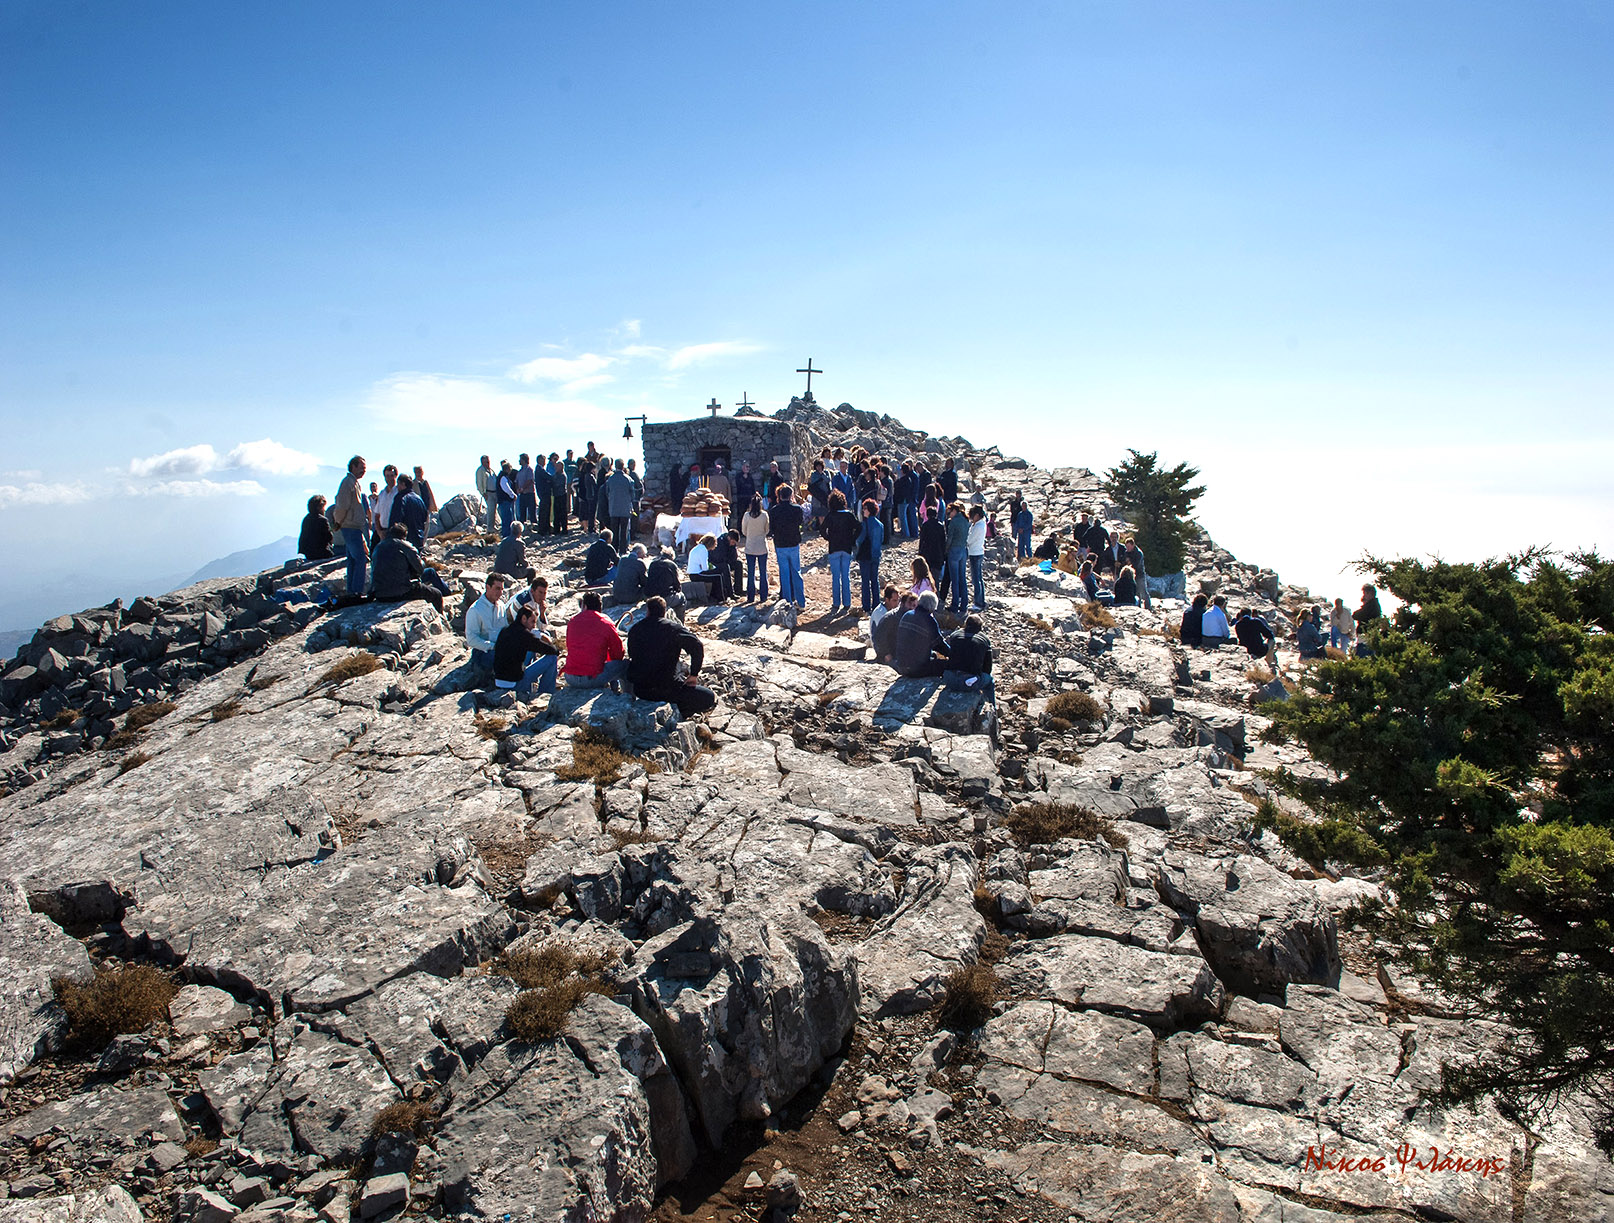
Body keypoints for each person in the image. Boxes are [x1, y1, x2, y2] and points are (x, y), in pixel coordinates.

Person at [627, 596, 717, 717]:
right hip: (667, 689)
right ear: (664, 612)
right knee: (708, 698)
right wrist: (694, 674)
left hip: (641, 690)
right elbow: (697, 646)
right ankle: (681, 710)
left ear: (647, 611)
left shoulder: (635, 629)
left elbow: (632, 654)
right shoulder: (673, 629)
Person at [370, 524, 446, 611]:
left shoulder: (378, 547)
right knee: (436, 594)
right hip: (401, 592)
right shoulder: (405, 546)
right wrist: (423, 562)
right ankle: (441, 618)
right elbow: (420, 569)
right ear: (404, 535)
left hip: (380, 594)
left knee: (429, 574)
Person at [494, 601, 559, 697]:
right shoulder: (524, 635)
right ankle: (545, 693)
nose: (534, 626)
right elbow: (550, 650)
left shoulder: (505, 630)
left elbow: (534, 641)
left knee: (529, 650)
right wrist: (555, 649)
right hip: (515, 684)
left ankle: (533, 686)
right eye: (532, 622)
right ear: (524, 619)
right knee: (552, 658)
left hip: (499, 682)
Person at [564, 590, 627, 689]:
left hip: (570, 677)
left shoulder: (572, 621)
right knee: (625, 665)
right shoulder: (605, 622)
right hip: (592, 678)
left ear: (584, 606)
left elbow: (570, 647)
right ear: (600, 607)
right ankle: (624, 696)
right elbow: (618, 652)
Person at [333, 455, 370, 596]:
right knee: (360, 558)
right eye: (361, 468)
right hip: (350, 526)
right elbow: (342, 505)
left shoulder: (353, 482)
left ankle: (351, 590)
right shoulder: (348, 483)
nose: (363, 471)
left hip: (353, 526)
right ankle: (356, 591)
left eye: (364, 469)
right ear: (353, 467)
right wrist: (338, 522)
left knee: (352, 559)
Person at [893, 591, 951, 678]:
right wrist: (953, 654)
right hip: (916, 669)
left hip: (901, 666)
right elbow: (939, 645)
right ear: (931, 607)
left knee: (933, 655)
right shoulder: (929, 621)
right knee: (947, 665)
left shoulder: (907, 615)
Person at [943, 615, 996, 702]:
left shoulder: (954, 635)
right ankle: (992, 708)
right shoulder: (984, 640)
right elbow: (987, 668)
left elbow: (948, 652)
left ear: (966, 624)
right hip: (969, 681)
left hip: (950, 679)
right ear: (980, 628)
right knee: (990, 682)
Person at [823, 491, 859, 615]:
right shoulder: (849, 515)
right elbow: (859, 527)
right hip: (846, 548)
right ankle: (847, 603)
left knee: (835, 577)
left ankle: (836, 603)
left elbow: (822, 530)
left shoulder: (830, 515)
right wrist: (852, 539)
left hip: (834, 548)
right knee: (845, 576)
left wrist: (829, 538)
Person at [771, 484, 806, 607]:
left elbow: (771, 529)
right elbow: (800, 522)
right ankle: (801, 602)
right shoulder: (797, 509)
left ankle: (787, 602)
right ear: (791, 495)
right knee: (796, 572)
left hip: (780, 544)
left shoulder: (774, 510)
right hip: (793, 543)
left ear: (780, 496)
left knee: (784, 574)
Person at [465, 573, 508, 670]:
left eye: (502, 589)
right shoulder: (475, 610)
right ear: (488, 587)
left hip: (500, 647)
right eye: (497, 588)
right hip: (483, 651)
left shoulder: (501, 605)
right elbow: (471, 639)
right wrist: (493, 646)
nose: (500, 593)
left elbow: (505, 628)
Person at [854, 496, 885, 615]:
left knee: (865, 582)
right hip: (876, 555)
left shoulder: (864, 524)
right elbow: (881, 540)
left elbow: (860, 540)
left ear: (869, 510)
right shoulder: (880, 525)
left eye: (865, 508)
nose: (863, 510)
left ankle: (866, 607)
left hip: (865, 556)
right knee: (875, 581)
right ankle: (876, 605)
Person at [741, 493, 770, 601]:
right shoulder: (764, 515)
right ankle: (763, 596)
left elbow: (744, 531)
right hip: (762, 547)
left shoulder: (746, 516)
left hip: (750, 547)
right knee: (763, 572)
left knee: (751, 573)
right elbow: (767, 530)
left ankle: (751, 596)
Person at [874, 590, 916, 665]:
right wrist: (886, 654)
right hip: (890, 657)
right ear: (902, 603)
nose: (911, 608)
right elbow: (878, 637)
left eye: (914, 605)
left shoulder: (912, 618)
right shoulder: (891, 618)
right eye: (909, 604)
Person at [645, 546, 687, 616]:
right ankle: (679, 622)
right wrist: (678, 591)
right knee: (682, 598)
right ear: (672, 557)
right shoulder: (671, 565)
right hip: (664, 597)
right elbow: (677, 585)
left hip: (650, 596)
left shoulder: (653, 564)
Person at [945, 501, 970, 616]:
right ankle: (964, 604)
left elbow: (949, 539)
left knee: (954, 579)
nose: (949, 515)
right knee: (962, 578)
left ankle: (955, 604)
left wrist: (946, 550)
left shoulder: (953, 522)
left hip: (954, 551)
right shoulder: (965, 520)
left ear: (954, 511)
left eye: (949, 512)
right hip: (963, 550)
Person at [687, 534, 727, 603]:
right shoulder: (703, 550)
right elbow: (705, 568)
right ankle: (721, 598)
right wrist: (711, 568)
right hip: (697, 574)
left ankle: (714, 596)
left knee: (716, 575)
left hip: (693, 573)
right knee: (718, 576)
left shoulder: (698, 547)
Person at [391, 474, 429, 549]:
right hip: (418, 539)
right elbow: (425, 517)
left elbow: (396, 519)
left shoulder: (401, 497)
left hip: (404, 541)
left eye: (398, 484)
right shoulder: (418, 499)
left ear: (403, 484)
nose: (397, 487)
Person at [605, 460, 636, 546]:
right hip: (625, 509)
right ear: (623, 466)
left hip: (613, 508)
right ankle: (623, 549)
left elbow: (607, 493)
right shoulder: (629, 479)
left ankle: (614, 547)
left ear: (615, 466)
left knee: (614, 530)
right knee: (624, 531)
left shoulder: (610, 479)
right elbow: (633, 495)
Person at [966, 505, 988, 611]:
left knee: (976, 579)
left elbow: (970, 540)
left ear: (977, 515)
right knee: (979, 578)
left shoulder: (978, 526)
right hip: (978, 552)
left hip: (975, 553)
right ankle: (981, 600)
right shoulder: (980, 524)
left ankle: (978, 602)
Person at [299, 494, 333, 561]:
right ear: (319, 507)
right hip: (322, 553)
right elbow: (329, 537)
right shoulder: (322, 520)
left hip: (309, 553)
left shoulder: (306, 519)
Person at [1123, 536, 1152, 610]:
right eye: (1126, 547)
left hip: (1139, 575)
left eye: (1129, 546)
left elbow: (1137, 565)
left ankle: (1148, 607)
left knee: (1143, 591)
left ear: (1133, 545)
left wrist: (1130, 563)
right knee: (1136, 592)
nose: (1127, 548)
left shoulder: (1138, 553)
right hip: (1131, 576)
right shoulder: (1126, 553)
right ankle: (1137, 607)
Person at [712, 529, 742, 602]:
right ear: (729, 538)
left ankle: (738, 589)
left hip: (727, 561)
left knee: (738, 564)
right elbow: (719, 557)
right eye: (732, 542)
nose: (733, 544)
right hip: (717, 563)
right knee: (726, 567)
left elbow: (734, 556)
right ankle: (730, 593)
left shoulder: (732, 545)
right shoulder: (720, 542)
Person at [1353, 584, 1383, 656]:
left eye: (1365, 593)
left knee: (1362, 657)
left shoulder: (1371, 606)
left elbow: (1356, 615)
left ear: (1370, 594)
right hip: (1367, 637)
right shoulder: (1373, 605)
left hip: (1366, 637)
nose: (1364, 596)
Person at [496, 461, 518, 539]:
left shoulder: (501, 476)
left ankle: (507, 534)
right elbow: (506, 488)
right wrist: (513, 495)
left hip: (504, 500)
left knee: (507, 517)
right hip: (505, 500)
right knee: (507, 518)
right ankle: (507, 535)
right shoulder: (503, 477)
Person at [732, 462, 756, 529]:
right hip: (741, 498)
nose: (747, 468)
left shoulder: (750, 476)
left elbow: (752, 487)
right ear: (743, 467)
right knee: (741, 515)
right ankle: (740, 530)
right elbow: (739, 485)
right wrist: (744, 479)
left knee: (749, 515)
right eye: (746, 467)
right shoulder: (739, 476)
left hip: (749, 498)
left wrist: (754, 495)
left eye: (748, 467)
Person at [475, 455, 496, 533]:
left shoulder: (491, 470)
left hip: (495, 492)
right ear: (482, 462)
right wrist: (483, 493)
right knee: (490, 510)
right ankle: (490, 528)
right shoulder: (480, 471)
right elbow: (479, 483)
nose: (488, 463)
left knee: (494, 510)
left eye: (488, 461)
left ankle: (493, 526)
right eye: (486, 461)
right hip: (488, 493)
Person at [516, 453, 537, 525]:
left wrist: (522, 488)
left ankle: (533, 525)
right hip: (522, 494)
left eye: (520, 459)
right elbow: (516, 481)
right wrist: (518, 489)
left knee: (531, 511)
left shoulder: (529, 469)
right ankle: (522, 526)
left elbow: (530, 480)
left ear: (524, 460)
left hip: (529, 493)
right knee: (522, 511)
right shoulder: (520, 471)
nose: (519, 461)